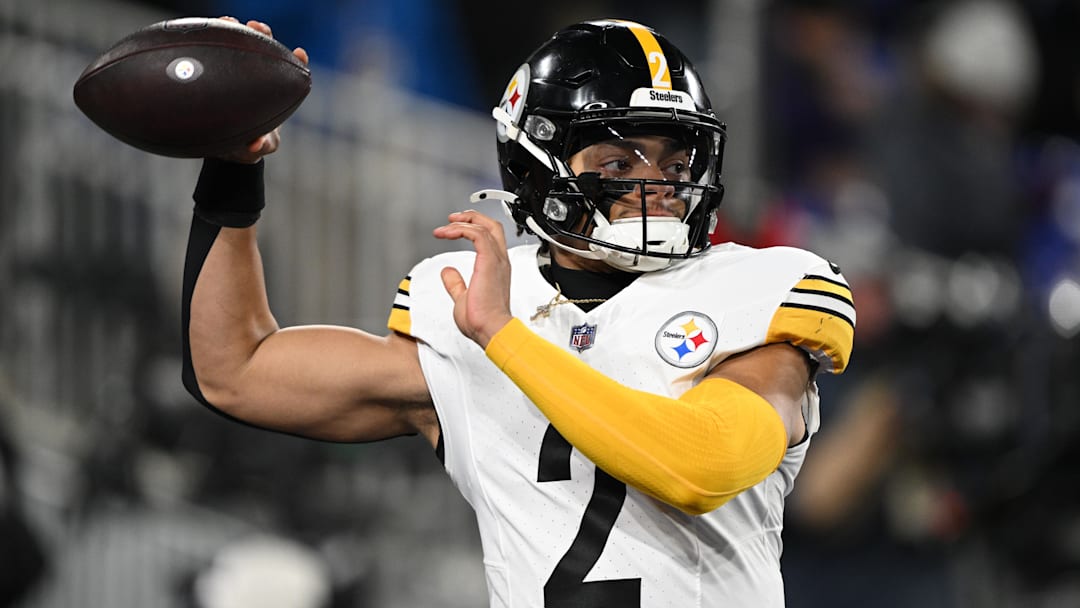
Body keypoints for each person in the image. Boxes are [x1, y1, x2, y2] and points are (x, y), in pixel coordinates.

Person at [182, 17, 855, 607]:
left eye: (676, 164)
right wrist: (231, 171)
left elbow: (702, 465)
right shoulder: (467, 302)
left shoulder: (762, 285)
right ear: (536, 163)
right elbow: (236, 371)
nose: (656, 186)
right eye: (618, 162)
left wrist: (504, 337)